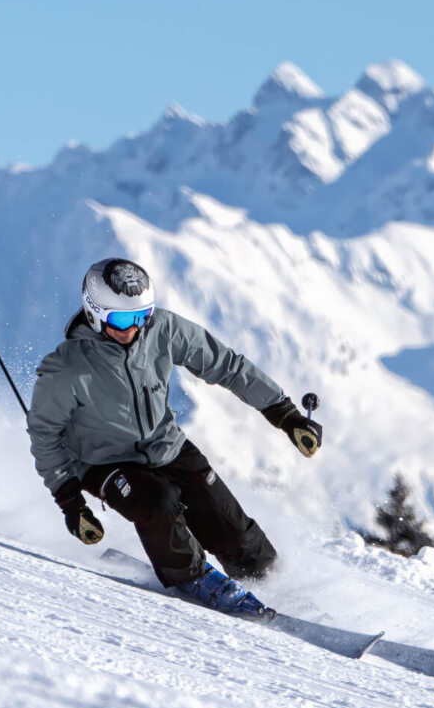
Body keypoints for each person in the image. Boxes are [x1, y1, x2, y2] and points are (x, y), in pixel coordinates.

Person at [28, 257, 322, 614]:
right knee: (158, 501)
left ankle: (276, 588)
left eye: (141, 316)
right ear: (95, 312)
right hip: (103, 462)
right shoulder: (67, 368)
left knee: (230, 526)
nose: (133, 328)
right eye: (122, 319)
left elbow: (226, 365)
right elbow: (45, 434)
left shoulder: (162, 330)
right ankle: (194, 579)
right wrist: (70, 502)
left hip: (167, 446)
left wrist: (284, 413)